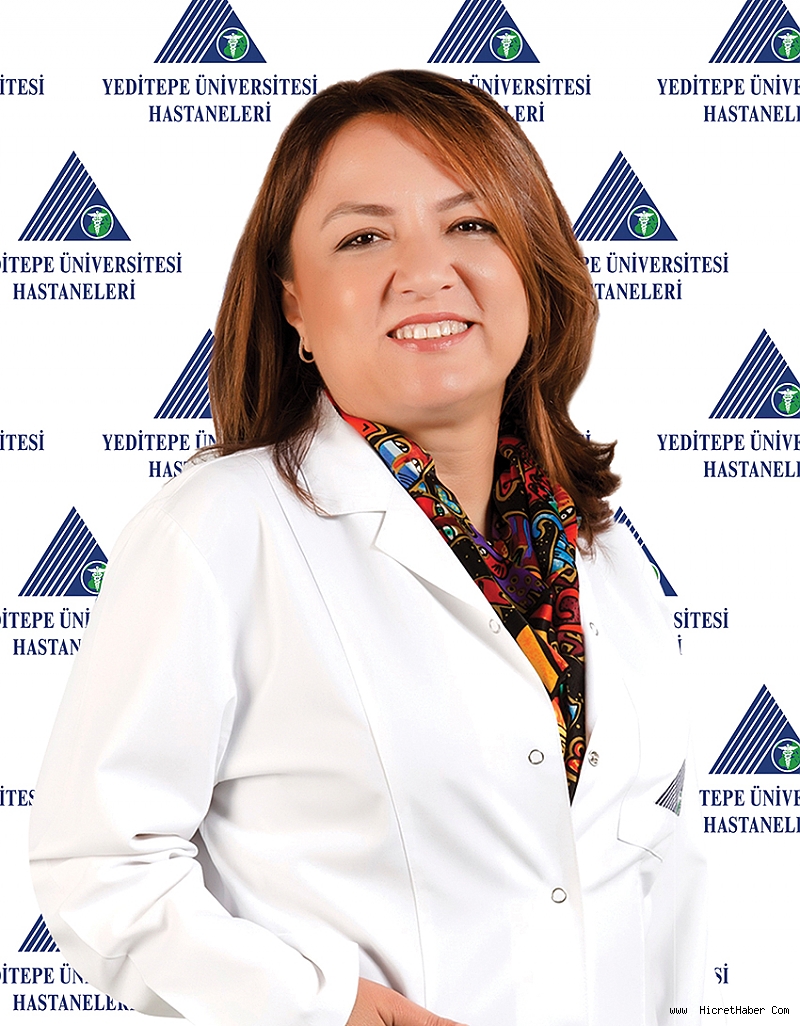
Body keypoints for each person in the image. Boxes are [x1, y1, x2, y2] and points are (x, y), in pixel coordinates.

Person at [30, 70, 705, 1026]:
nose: (426, 272)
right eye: (363, 238)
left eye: (471, 224)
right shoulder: (221, 531)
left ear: (534, 268)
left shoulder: (601, 556)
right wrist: (321, 1008)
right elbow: (100, 865)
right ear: (294, 304)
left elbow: (651, 875)